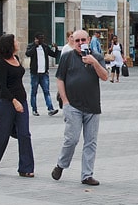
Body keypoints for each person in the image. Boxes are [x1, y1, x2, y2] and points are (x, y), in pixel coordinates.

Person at [53, 28, 109, 185]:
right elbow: (60, 79)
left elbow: (105, 76)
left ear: (88, 40)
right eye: (77, 41)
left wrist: (94, 62)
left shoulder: (96, 57)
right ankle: (61, 164)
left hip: (92, 106)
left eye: (83, 40)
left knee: (91, 141)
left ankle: (87, 175)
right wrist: (65, 101)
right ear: (72, 41)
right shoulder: (66, 57)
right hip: (73, 105)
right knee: (71, 139)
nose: (80, 43)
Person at [0, 33, 35, 177]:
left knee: (24, 134)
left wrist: (20, 101)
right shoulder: (2, 64)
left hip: (22, 100)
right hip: (7, 102)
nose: (18, 43)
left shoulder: (16, 59)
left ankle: (26, 168)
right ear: (9, 45)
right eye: (15, 41)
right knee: (2, 134)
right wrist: (14, 101)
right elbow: (3, 87)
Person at [27, 34, 59, 116]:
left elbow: (54, 55)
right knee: (34, 92)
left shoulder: (45, 47)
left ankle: (50, 108)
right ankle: (34, 109)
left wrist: (56, 48)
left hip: (44, 73)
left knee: (46, 91)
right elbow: (28, 54)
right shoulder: (31, 46)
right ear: (36, 39)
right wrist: (35, 46)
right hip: (35, 73)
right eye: (40, 39)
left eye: (43, 39)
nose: (42, 40)